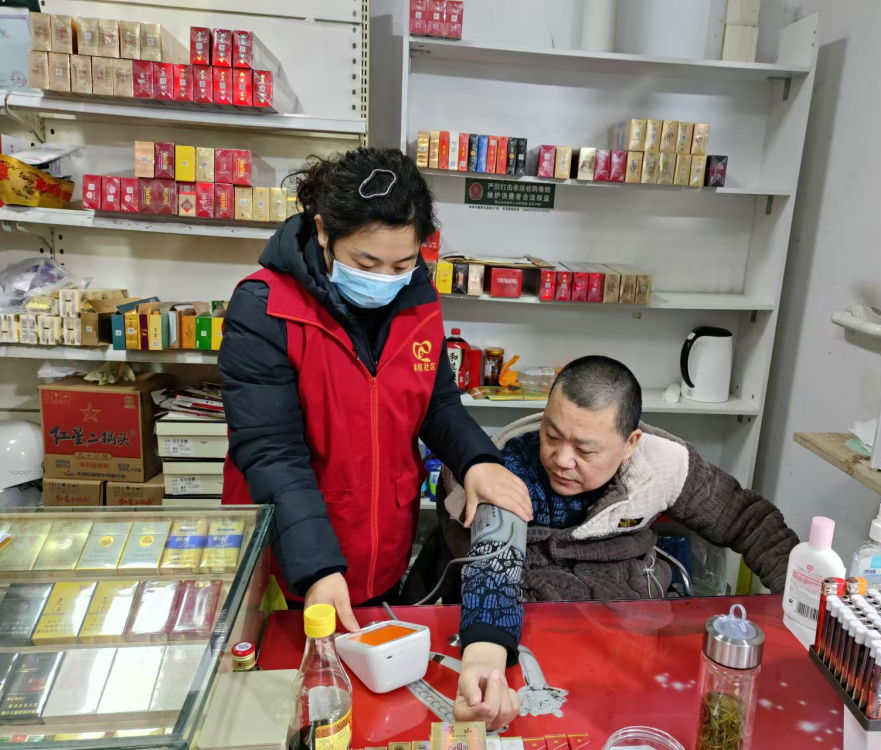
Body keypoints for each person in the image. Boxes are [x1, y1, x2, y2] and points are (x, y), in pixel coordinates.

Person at [218, 147, 532, 630]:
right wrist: (316, 566)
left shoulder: (418, 298)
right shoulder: (265, 308)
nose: (385, 280)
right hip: (293, 551)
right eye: (366, 262)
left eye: (402, 263)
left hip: (381, 545)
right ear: (323, 231)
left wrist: (477, 460)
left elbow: (435, 401)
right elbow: (271, 451)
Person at [436, 355, 799, 728]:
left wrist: (806, 604)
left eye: (585, 450)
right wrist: (485, 668)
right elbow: (494, 569)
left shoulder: (662, 465)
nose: (561, 460)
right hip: (531, 637)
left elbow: (748, 520)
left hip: (636, 639)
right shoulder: (508, 468)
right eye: (552, 435)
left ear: (630, 443)